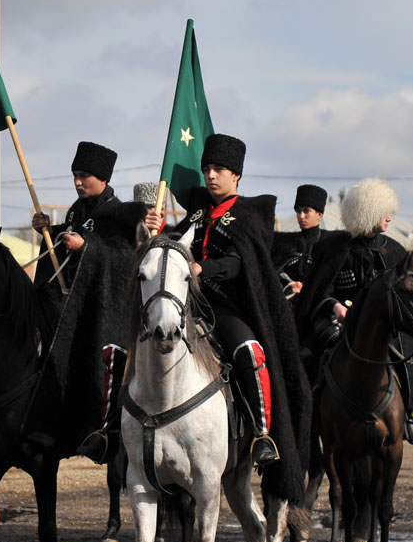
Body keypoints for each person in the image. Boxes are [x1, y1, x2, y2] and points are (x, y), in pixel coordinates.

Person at [156, 134, 309, 473]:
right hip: (186, 303)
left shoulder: (249, 216)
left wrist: (201, 267)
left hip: (224, 307)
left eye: (219, 169)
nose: (210, 175)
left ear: (236, 175)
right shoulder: (196, 212)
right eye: (207, 169)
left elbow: (239, 263)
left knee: (250, 351)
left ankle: (261, 433)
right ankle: (116, 428)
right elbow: (174, 241)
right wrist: (160, 230)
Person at [30, 141, 160, 463]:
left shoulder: (118, 213)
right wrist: (50, 230)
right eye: (74, 175)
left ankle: (103, 431)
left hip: (107, 308)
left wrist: (85, 247)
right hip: (71, 301)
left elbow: (123, 258)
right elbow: (70, 235)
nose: (77, 182)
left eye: (83, 175)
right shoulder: (77, 210)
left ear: (102, 178)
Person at [296, 177, 413, 444]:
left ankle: (408, 414)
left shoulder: (394, 251)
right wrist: (335, 306)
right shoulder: (335, 247)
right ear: (368, 212)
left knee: (405, 361)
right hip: (337, 324)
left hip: (381, 328)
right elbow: (318, 291)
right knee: (306, 357)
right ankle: (305, 418)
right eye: (383, 212)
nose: (389, 218)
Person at [272, 184, 328, 298]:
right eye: (298, 211)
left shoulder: (327, 244)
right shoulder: (286, 243)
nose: (301, 216)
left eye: (306, 211)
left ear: (319, 214)